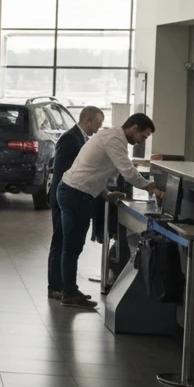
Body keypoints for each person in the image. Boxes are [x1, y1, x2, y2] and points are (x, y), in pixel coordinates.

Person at [56, 113, 164, 308]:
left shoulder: (111, 136)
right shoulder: (114, 139)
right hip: (75, 194)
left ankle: (69, 290)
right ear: (134, 128)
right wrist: (152, 188)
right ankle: (69, 294)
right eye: (143, 136)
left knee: (72, 247)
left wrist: (105, 193)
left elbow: (94, 170)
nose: (142, 141)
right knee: (71, 248)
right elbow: (128, 172)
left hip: (77, 192)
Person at [47, 106, 104, 301]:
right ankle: (55, 286)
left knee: (66, 242)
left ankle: (66, 286)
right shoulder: (70, 139)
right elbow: (63, 172)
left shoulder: (81, 138)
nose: (99, 128)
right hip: (63, 197)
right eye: (97, 124)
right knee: (60, 241)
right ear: (87, 121)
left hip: (68, 197)